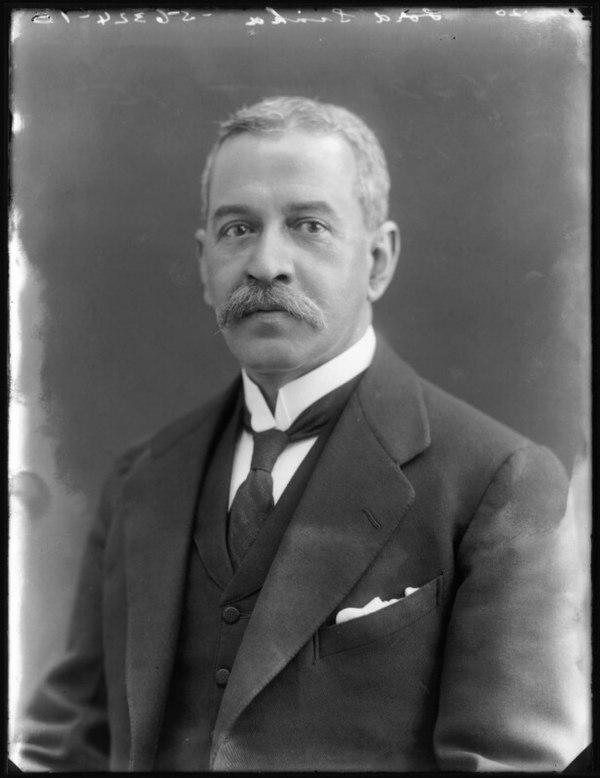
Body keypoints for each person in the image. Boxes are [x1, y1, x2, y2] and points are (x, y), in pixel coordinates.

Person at [17, 96, 588, 772]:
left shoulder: (501, 483)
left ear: (378, 260)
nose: (265, 264)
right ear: (204, 264)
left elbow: (507, 764)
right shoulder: (140, 480)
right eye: (237, 229)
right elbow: (67, 746)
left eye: (308, 225)